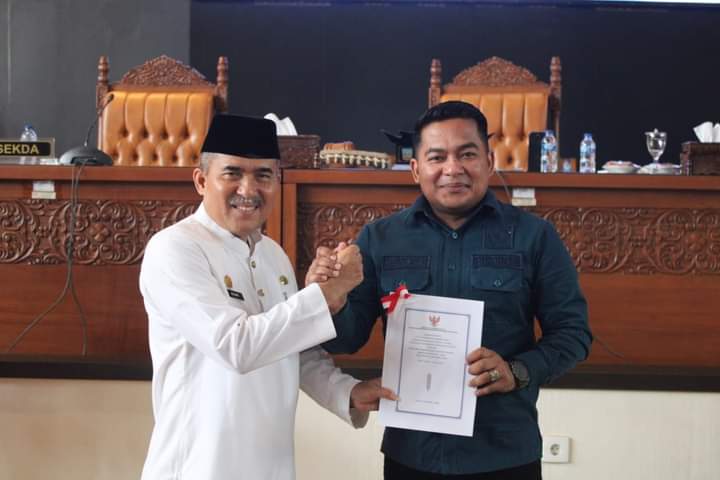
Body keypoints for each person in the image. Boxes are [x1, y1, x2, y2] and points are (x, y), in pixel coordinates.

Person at [308, 101, 592, 479]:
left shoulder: (534, 236)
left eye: (467, 154)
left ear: (489, 162)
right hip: (412, 455)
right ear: (416, 169)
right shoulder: (380, 239)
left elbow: (573, 334)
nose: (453, 169)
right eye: (437, 157)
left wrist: (517, 371)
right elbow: (348, 340)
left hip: (505, 454)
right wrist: (332, 301)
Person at [139, 114, 396, 480]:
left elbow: (292, 349)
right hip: (198, 466)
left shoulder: (272, 254)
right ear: (201, 181)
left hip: (269, 464)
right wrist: (325, 295)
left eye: (263, 175)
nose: (248, 189)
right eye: (232, 173)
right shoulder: (175, 249)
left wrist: (347, 392)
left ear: (277, 182)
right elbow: (236, 346)